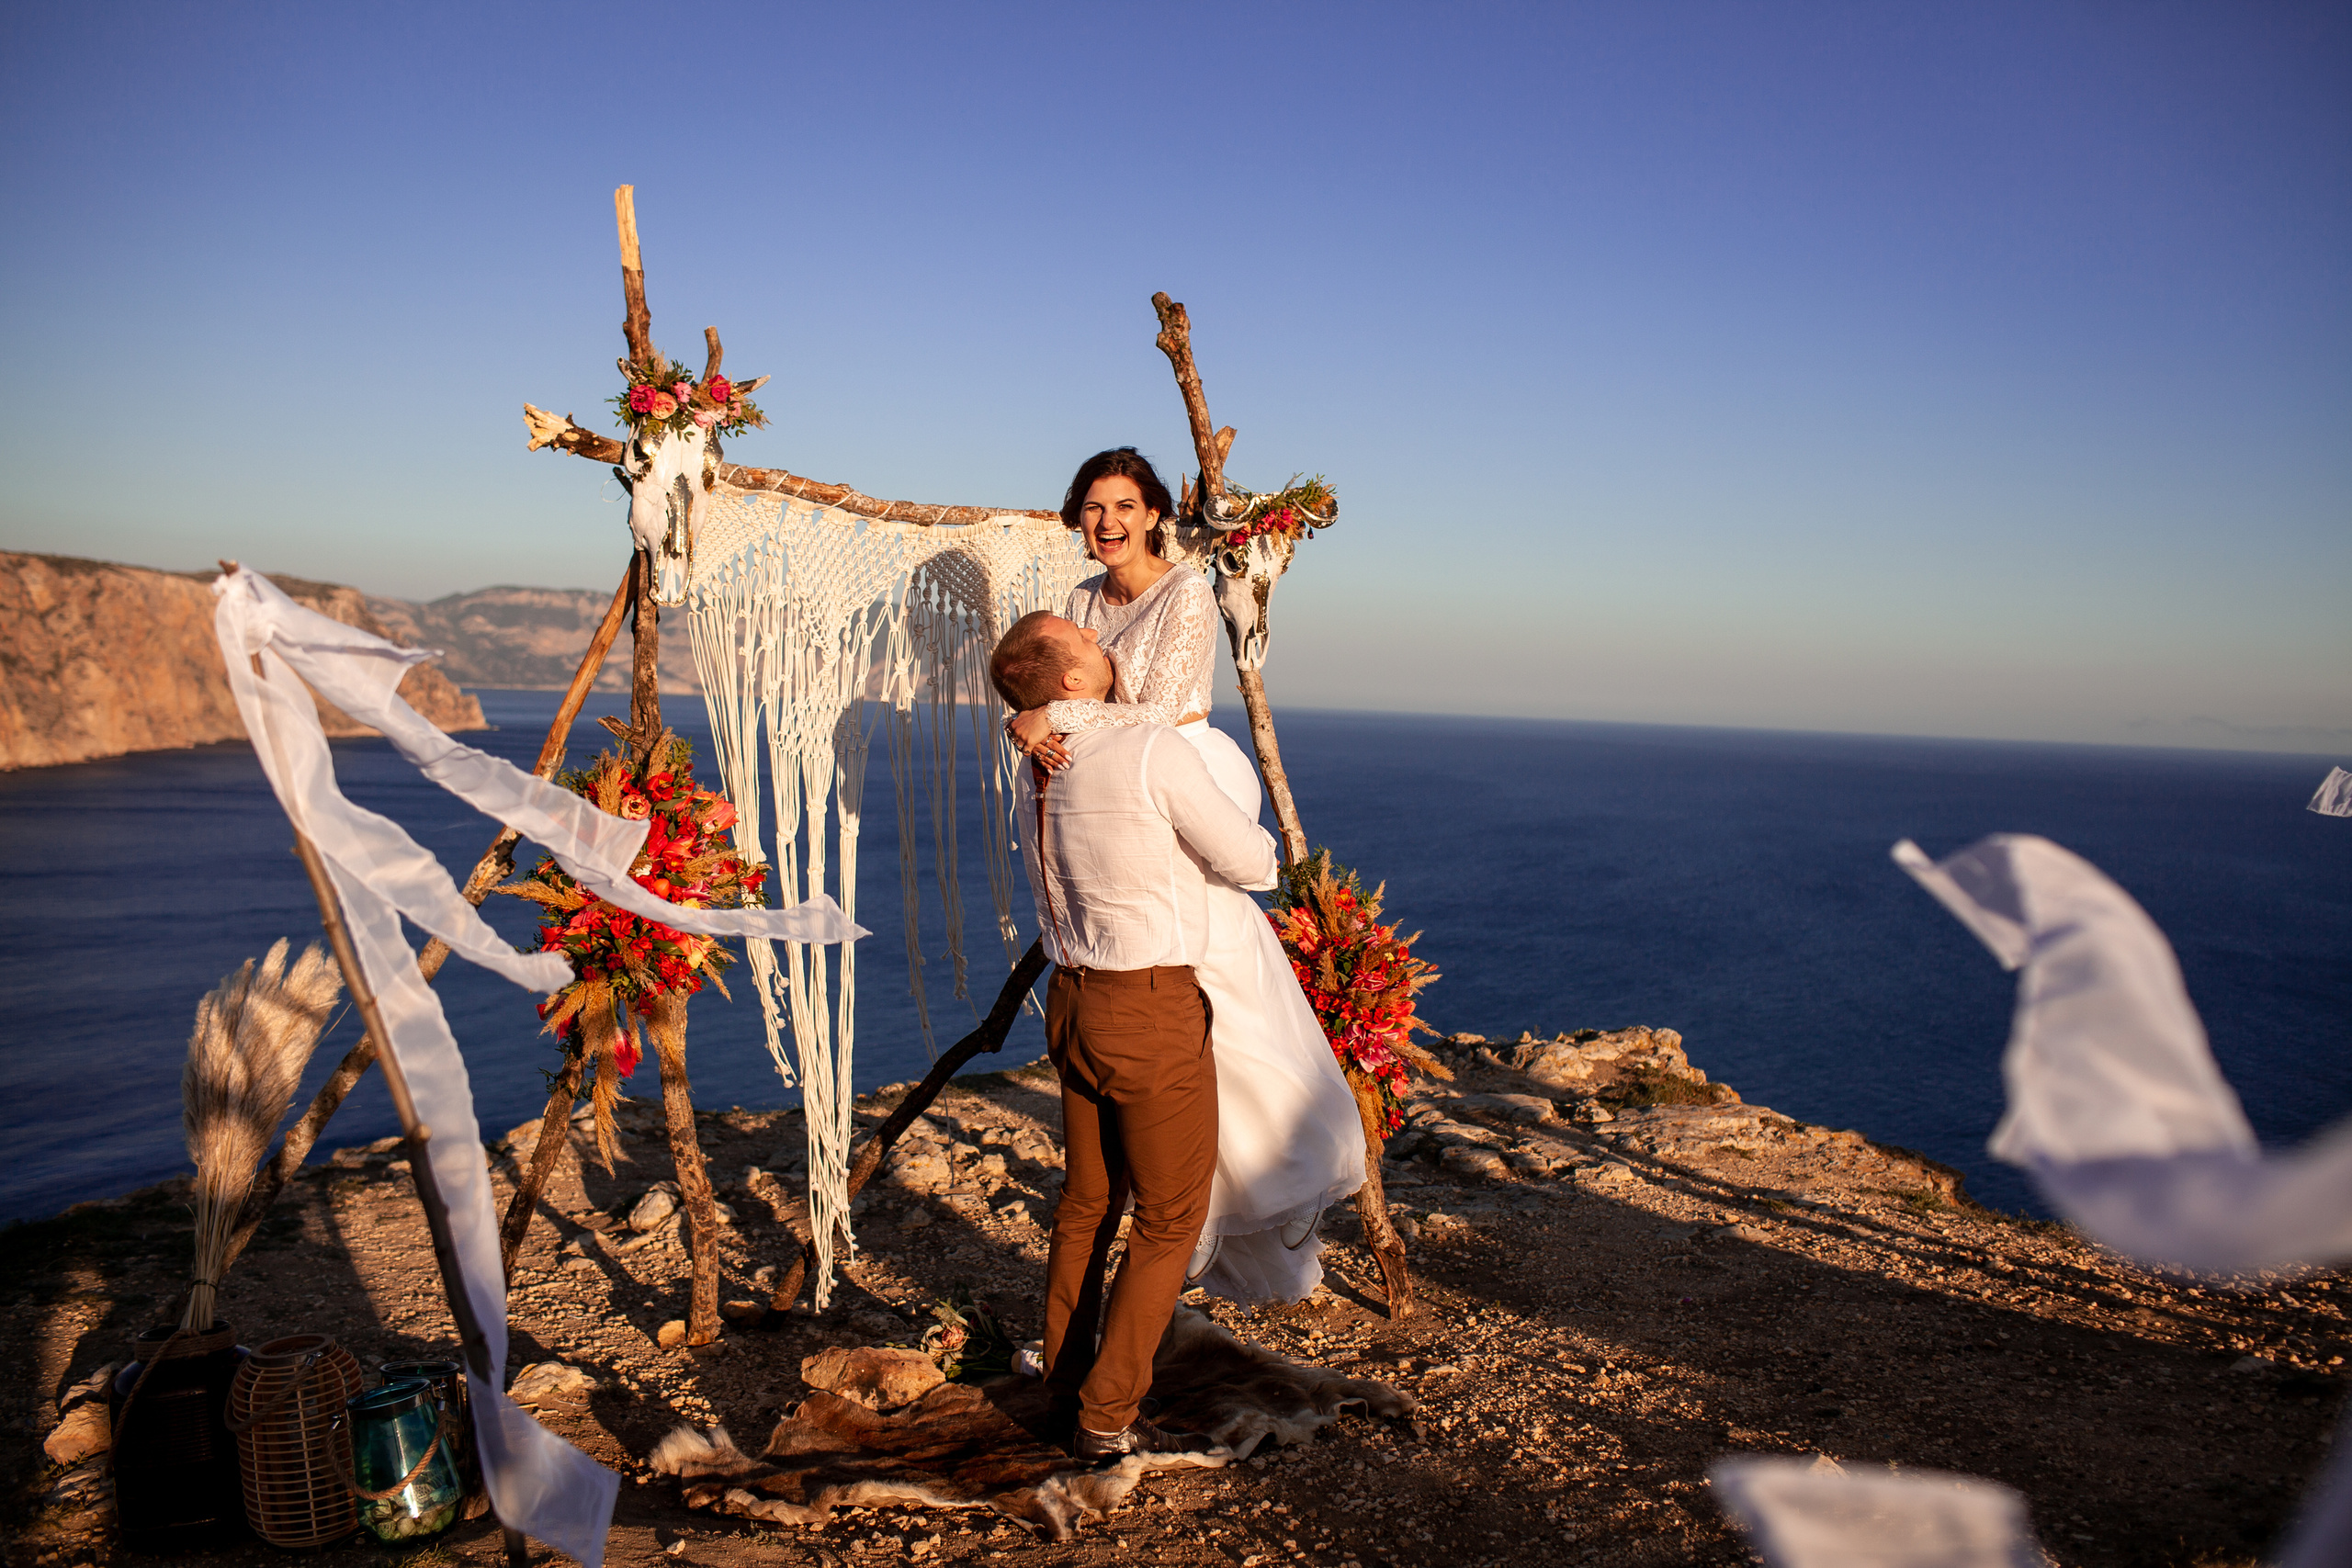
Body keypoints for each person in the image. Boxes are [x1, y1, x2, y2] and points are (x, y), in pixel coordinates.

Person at [1006, 447, 1363, 1304]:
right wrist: (1031, 713)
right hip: (1116, 785)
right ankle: (1177, 1190)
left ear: (1155, 513)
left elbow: (1159, 712)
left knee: (1207, 979)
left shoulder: (1187, 593)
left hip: (1176, 768)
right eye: (1092, 507)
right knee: (1156, 974)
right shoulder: (1082, 601)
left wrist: (1050, 715)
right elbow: (1053, 673)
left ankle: (1204, 1197)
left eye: (1124, 505)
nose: (1108, 522)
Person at [989, 610, 1274, 1456]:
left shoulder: (1035, 766)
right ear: (1074, 680)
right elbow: (1254, 863)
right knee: (1169, 1216)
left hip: (1071, 1000)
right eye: (1085, 641)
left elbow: (1073, 721)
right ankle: (1106, 1414)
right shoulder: (1150, 750)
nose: (1103, 642)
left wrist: (1033, 720)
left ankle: (1066, 1379)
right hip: (1148, 1007)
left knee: (1086, 1205)